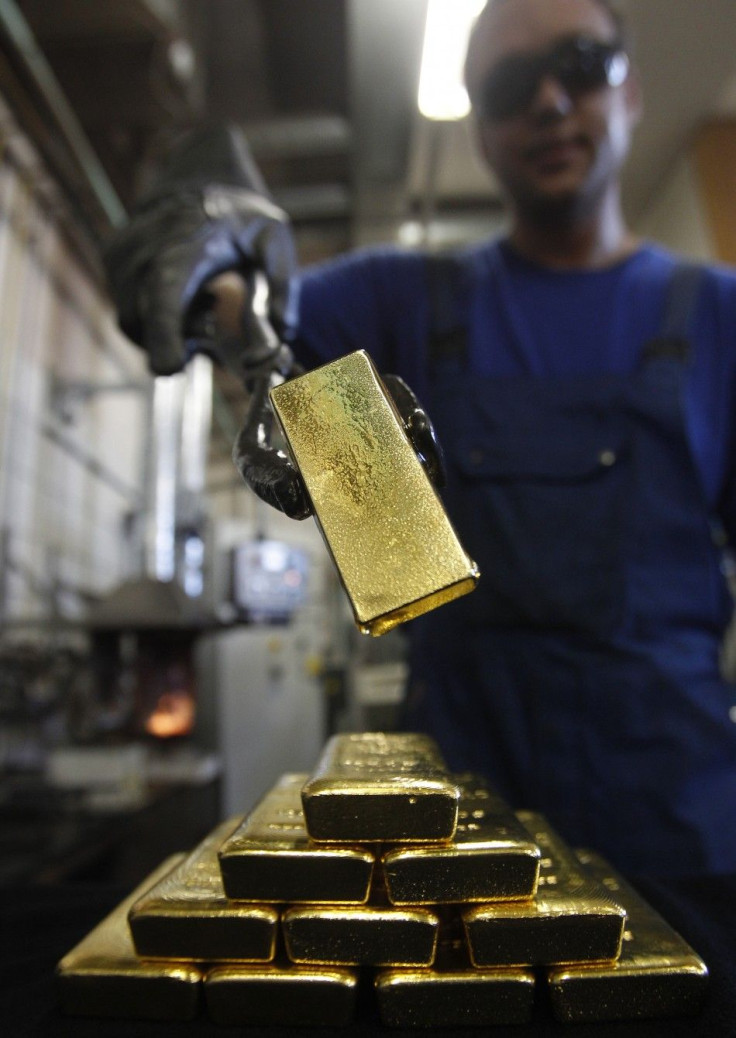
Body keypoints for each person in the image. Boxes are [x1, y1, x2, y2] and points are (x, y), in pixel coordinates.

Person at [105, 0, 736, 876]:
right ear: (478, 126)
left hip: (682, 823)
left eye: (582, 65)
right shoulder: (389, 303)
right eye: (511, 86)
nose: (549, 102)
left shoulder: (722, 319)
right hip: (459, 816)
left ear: (631, 93)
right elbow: (225, 309)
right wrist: (208, 238)